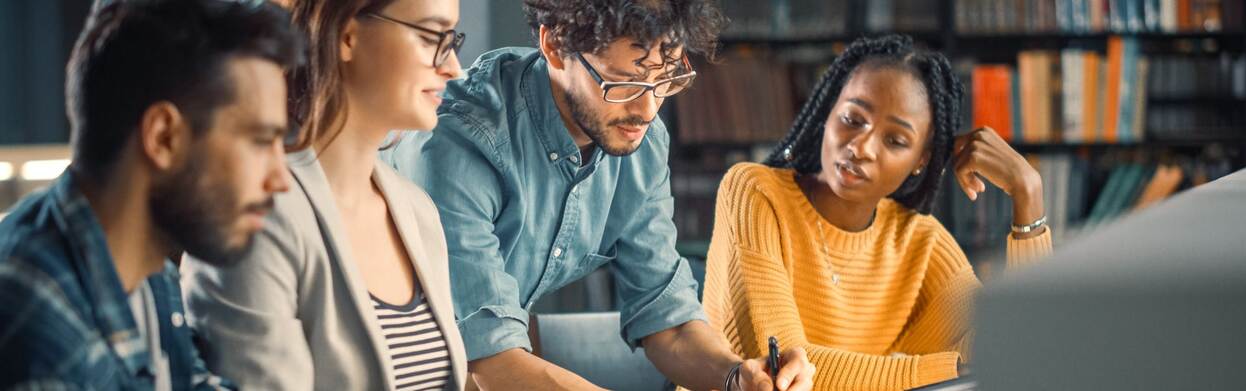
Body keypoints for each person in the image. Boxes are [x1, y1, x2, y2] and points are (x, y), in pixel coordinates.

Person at [384, 1, 815, 390]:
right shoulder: (459, 141)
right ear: (554, 45)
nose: (647, 111)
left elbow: (666, 318)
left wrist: (736, 376)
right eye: (623, 83)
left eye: (665, 80)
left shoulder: (641, 142)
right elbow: (491, 359)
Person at [700, 34, 1054, 391]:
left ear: (921, 161)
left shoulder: (921, 243)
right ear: (828, 111)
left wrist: (1028, 194)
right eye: (853, 118)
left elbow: (1028, 356)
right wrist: (958, 371)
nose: (861, 147)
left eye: (895, 140)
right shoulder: (755, 193)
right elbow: (784, 375)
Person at [0, 0, 302, 388]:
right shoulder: (38, 332)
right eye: (261, 142)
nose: (281, 180)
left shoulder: (146, 272)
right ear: (163, 137)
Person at [180, 0, 467, 389]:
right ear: (346, 36)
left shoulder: (418, 212)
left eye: (453, 41)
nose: (453, 68)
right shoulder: (253, 215)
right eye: (432, 36)